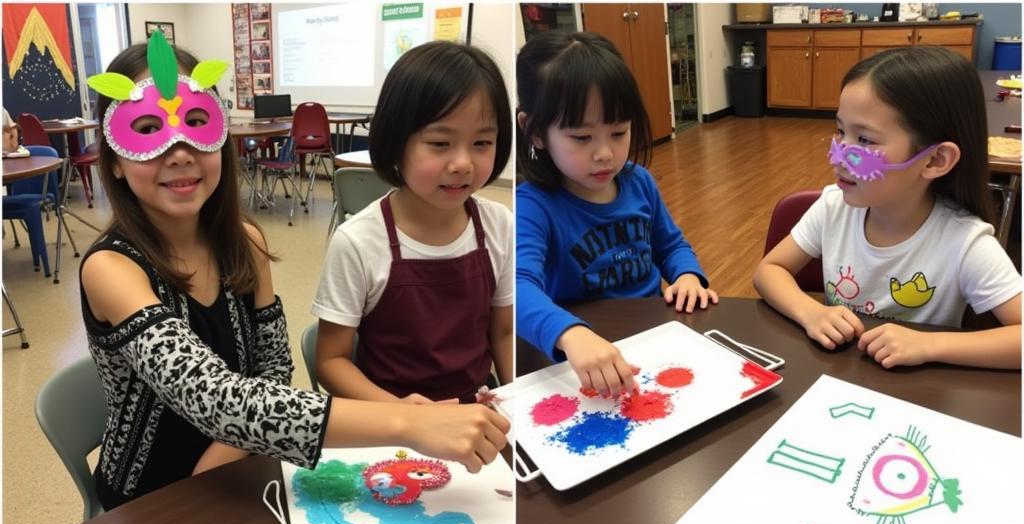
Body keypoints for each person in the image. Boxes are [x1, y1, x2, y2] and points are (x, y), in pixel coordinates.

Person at [81, 35, 508, 510]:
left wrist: (226, 456)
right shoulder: (110, 268)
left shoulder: (245, 242)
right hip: (149, 498)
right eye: (147, 130)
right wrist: (407, 422)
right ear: (115, 163)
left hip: (243, 466)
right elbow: (216, 399)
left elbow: (274, 368)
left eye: (197, 123)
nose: (180, 152)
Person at [754, 47, 1021, 370]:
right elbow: (769, 270)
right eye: (841, 132)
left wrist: (929, 344)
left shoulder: (965, 242)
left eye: (865, 140)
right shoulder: (833, 208)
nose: (839, 157)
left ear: (935, 160)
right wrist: (811, 313)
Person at [516, 31, 718, 399]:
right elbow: (517, 288)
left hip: (655, 336)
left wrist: (687, 274)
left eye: (618, 132)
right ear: (534, 132)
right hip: (582, 356)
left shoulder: (639, 182)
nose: (605, 153)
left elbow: (670, 245)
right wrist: (570, 334)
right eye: (581, 137)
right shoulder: (533, 205)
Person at [312, 41, 513, 404]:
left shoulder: (499, 224)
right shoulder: (358, 241)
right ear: (395, 140)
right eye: (439, 143)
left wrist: (518, 399)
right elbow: (331, 360)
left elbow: (503, 333)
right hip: (394, 423)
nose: (463, 163)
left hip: (480, 410)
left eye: (482, 142)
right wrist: (405, 416)